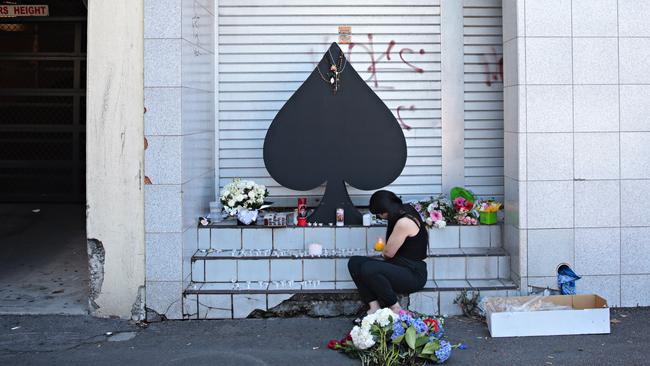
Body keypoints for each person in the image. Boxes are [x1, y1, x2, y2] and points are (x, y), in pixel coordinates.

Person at [348, 190, 428, 316]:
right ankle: (374, 307)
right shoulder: (402, 210)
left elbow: (388, 253)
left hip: (413, 274)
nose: (380, 217)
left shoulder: (404, 222)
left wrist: (383, 252)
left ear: (386, 211)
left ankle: (395, 307)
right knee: (355, 262)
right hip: (399, 266)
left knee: (368, 268)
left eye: (379, 214)